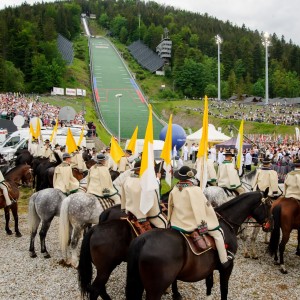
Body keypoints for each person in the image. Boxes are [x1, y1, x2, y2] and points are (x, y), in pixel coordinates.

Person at [168, 166, 233, 269]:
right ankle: (224, 261)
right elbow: (200, 211)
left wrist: (169, 222)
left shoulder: (175, 189)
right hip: (190, 223)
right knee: (218, 234)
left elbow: (170, 207)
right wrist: (203, 228)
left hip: (177, 223)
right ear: (190, 177)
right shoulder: (195, 190)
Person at [121, 160, 167, 234]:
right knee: (164, 224)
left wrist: (123, 208)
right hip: (144, 213)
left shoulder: (127, 179)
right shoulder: (145, 182)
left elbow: (123, 196)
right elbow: (153, 194)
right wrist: (158, 179)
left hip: (130, 212)